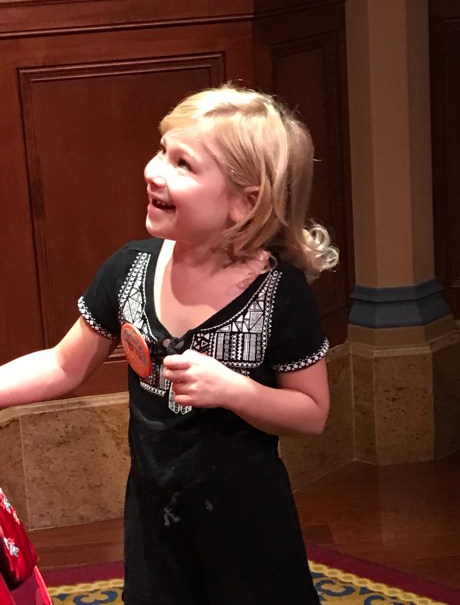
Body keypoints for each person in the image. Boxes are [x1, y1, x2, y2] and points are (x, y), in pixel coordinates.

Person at [0, 84, 338, 605]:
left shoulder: (279, 294)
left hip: (248, 531)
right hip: (155, 519)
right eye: (162, 150)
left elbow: (312, 413)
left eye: (183, 164)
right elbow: (63, 365)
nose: (155, 171)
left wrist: (235, 391)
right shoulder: (128, 269)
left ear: (244, 202)